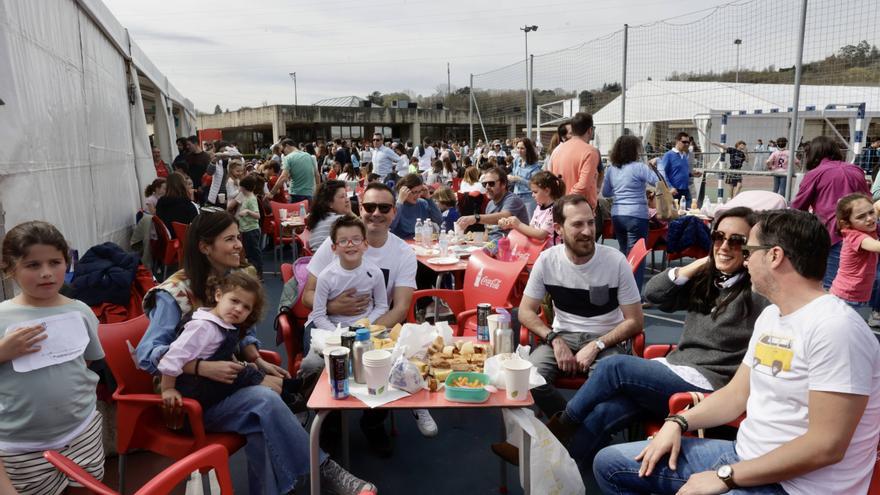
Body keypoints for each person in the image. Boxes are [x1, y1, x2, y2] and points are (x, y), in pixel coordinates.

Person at [594, 209, 880, 495]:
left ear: (774, 256)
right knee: (610, 464)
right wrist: (679, 421)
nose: (744, 259)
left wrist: (727, 476)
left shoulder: (836, 329)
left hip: (796, 486)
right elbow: (735, 395)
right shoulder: (772, 317)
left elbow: (826, 446)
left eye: (748, 250)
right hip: (744, 456)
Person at [495, 207, 768, 469]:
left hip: (708, 384)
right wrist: (701, 263)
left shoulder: (757, 291)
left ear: (750, 248)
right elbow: (655, 293)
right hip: (673, 368)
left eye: (736, 241)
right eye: (718, 237)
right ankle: (550, 463)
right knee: (605, 412)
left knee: (613, 368)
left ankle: (559, 426)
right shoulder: (708, 280)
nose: (724, 246)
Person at [136, 212, 373, 494]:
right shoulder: (173, 293)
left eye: (238, 237)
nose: (239, 244)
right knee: (264, 400)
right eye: (230, 239)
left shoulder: (228, 282)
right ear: (204, 247)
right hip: (186, 400)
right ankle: (324, 469)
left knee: (260, 421)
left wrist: (256, 358)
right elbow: (146, 355)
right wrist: (200, 367)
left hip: (221, 389)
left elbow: (238, 331)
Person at [302, 183, 436, 450]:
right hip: (325, 326)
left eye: (383, 208)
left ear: (394, 212)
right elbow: (308, 296)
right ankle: (328, 425)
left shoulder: (403, 253)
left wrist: (363, 332)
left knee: (382, 360)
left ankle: (373, 422)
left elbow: (400, 308)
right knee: (315, 366)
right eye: (369, 207)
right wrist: (332, 306)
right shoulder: (337, 242)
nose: (376, 213)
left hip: (375, 326)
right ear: (359, 208)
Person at [512, 195, 643, 419]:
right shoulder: (547, 260)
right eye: (577, 224)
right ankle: (573, 427)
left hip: (606, 339)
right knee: (530, 378)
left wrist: (597, 345)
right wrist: (554, 339)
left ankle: (566, 428)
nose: (587, 231)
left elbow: (636, 321)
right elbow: (525, 311)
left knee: (606, 384)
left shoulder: (615, 261)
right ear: (558, 229)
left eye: (590, 223)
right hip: (562, 335)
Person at [0, 221, 106, 494]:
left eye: (55, 262)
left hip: (81, 431)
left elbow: (87, 360)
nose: (46, 273)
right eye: (33, 265)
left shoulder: (80, 311)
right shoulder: (2, 317)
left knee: (88, 489)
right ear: (11, 268)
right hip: (21, 446)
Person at [159, 272, 307, 410]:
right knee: (247, 375)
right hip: (196, 390)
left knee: (248, 371)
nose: (238, 309)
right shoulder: (202, 327)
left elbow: (222, 352)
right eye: (234, 301)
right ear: (218, 296)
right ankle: (291, 398)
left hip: (209, 381)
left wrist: (240, 364)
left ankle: (293, 389)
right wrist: (168, 389)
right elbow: (171, 358)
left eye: (246, 307)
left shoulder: (223, 324)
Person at [791, 135, 870, 288]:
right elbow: (868, 200)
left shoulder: (815, 174)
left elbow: (798, 207)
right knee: (859, 283)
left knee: (832, 285)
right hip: (863, 235)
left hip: (833, 235)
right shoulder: (856, 170)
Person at [306, 215, 389, 330]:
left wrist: (364, 325)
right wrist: (339, 334)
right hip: (332, 330)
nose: (350, 244)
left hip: (364, 329)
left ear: (365, 244)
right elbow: (319, 315)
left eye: (356, 239)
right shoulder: (325, 277)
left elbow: (382, 306)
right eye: (343, 241)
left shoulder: (375, 273)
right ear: (334, 248)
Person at [602, 135, 658, 289]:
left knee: (625, 253)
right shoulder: (639, 167)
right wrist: (654, 167)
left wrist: (620, 190)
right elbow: (658, 181)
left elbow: (606, 192)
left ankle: (621, 290)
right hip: (636, 214)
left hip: (618, 215)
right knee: (637, 257)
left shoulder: (612, 169)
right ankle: (634, 296)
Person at [829, 193, 880, 306]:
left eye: (871, 212)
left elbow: (876, 206)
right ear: (846, 223)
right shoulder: (854, 236)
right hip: (846, 297)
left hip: (856, 296)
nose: (870, 218)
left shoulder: (866, 225)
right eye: (861, 217)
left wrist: (875, 209)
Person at [455, 167, 529, 243]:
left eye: (491, 183)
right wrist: (473, 243)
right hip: (492, 246)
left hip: (510, 247)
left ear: (503, 184)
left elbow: (504, 215)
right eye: (484, 184)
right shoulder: (490, 204)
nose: (487, 187)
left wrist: (476, 218)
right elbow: (488, 233)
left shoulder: (512, 199)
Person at [497, 170, 565, 246]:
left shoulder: (554, 210)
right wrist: (511, 225)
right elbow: (531, 228)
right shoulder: (539, 207)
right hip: (538, 248)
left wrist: (518, 224)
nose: (532, 195)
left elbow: (541, 235)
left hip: (551, 252)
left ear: (547, 191)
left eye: (535, 192)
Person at [549, 112, 600, 208]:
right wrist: (567, 201)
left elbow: (552, 178)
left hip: (560, 204)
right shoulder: (590, 151)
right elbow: (583, 185)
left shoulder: (558, 150)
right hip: (580, 207)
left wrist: (561, 201)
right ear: (590, 130)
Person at [390, 173, 442, 240]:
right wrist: (400, 202)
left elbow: (439, 220)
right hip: (402, 243)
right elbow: (391, 226)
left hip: (420, 243)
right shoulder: (396, 205)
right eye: (414, 192)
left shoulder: (423, 203)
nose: (418, 195)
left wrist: (429, 199)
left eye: (420, 191)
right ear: (404, 191)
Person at [307, 180, 352, 252]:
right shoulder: (338, 220)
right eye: (342, 196)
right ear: (329, 203)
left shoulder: (320, 219)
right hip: (328, 261)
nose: (347, 200)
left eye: (346, 195)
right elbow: (364, 233)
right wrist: (350, 212)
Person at [270, 139, 318, 204]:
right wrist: (317, 191)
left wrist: (272, 193)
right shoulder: (308, 156)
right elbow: (317, 175)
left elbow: (283, 177)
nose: (283, 153)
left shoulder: (288, 158)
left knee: (294, 214)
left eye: (282, 151)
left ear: (287, 146)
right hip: (309, 194)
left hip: (296, 195)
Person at [654, 132, 695, 208]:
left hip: (685, 190)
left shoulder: (684, 155)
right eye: (684, 142)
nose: (687, 144)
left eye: (688, 142)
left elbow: (680, 171)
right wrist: (670, 187)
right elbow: (661, 173)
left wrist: (692, 174)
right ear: (677, 141)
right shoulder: (668, 155)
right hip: (674, 191)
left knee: (689, 212)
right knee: (674, 215)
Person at [235, 174, 263, 278]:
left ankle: (258, 273)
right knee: (250, 252)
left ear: (243, 187)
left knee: (254, 253)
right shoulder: (247, 197)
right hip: (246, 229)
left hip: (251, 230)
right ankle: (254, 272)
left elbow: (257, 215)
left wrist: (247, 211)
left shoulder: (251, 199)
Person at [156, 172, 199, 237]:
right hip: (186, 239)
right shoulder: (188, 205)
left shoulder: (161, 202)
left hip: (168, 238)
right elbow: (196, 226)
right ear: (183, 185)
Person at [510, 137, 543, 218]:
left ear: (528, 149)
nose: (519, 150)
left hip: (529, 198)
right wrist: (511, 178)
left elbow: (535, 185)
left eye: (522, 148)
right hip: (516, 195)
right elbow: (514, 176)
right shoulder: (516, 161)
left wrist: (519, 179)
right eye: (517, 148)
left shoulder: (535, 166)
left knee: (528, 222)